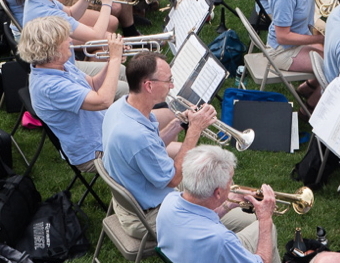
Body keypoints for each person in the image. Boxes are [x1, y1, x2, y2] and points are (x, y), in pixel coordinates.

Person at [102, 52, 254, 238]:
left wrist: (178, 124)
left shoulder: (121, 107)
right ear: (149, 85)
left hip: (140, 196)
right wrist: (194, 131)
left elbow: (153, 144)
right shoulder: (136, 135)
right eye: (168, 80)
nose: (172, 85)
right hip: (151, 215)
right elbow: (173, 179)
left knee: (213, 179)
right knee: (249, 220)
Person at [156, 145, 308, 263]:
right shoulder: (221, 240)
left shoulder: (169, 200)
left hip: (192, 261)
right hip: (214, 258)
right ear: (217, 193)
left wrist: (228, 204)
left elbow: (199, 221)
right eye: (230, 182)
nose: (232, 186)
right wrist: (265, 219)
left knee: (260, 230)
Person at [18, 16, 123, 173]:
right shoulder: (50, 86)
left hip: (105, 128)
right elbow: (104, 100)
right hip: (95, 151)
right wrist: (115, 59)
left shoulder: (59, 65)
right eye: (65, 39)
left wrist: (111, 61)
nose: (71, 40)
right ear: (51, 49)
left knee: (162, 117)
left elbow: (93, 84)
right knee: (155, 143)